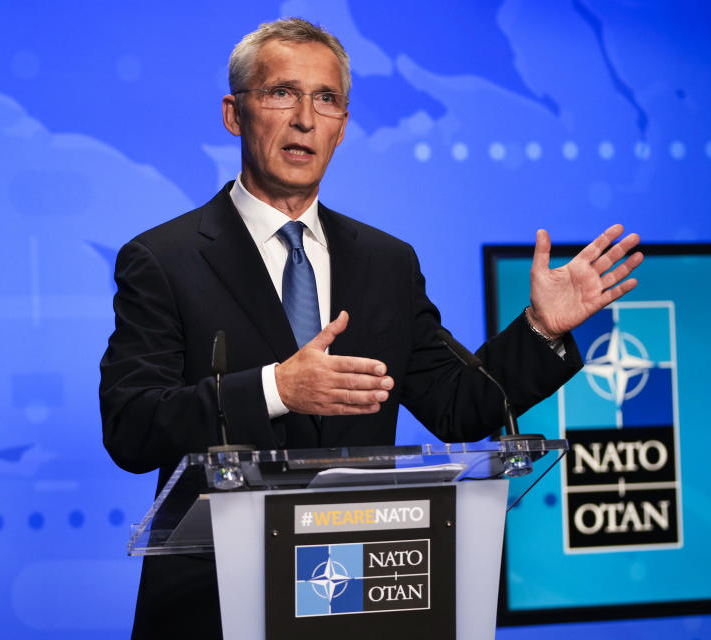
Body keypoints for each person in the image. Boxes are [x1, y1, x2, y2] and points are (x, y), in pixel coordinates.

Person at [99, 17, 642, 639]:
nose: (305, 117)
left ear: (342, 126)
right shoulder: (163, 259)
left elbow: (459, 405)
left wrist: (541, 328)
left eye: (326, 99)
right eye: (282, 93)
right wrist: (277, 389)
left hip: (360, 601)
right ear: (234, 114)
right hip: (214, 609)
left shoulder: (387, 262)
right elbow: (130, 426)